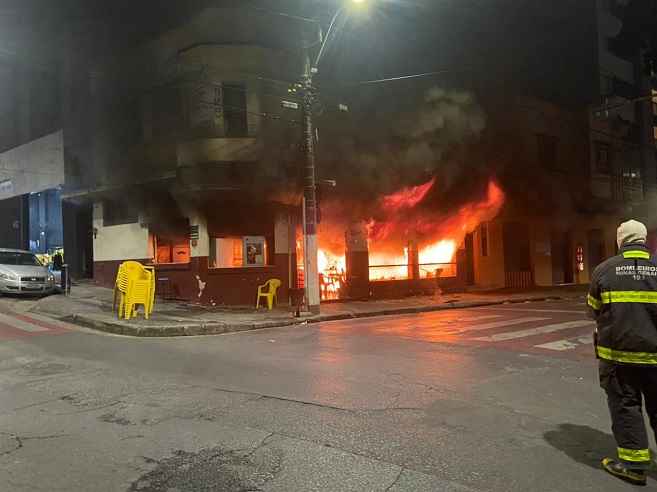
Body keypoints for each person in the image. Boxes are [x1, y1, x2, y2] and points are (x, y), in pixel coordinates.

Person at [588, 219, 657, 486]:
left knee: (626, 407)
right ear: (643, 241)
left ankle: (633, 466)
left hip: (618, 358)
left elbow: (593, 308)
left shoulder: (605, 270)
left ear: (621, 242)